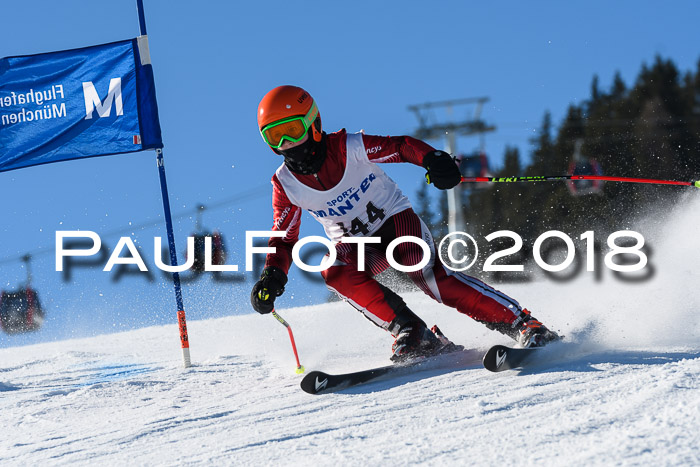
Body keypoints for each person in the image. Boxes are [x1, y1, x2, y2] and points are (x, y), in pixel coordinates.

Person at [251, 85, 559, 362]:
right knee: (334, 271)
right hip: (358, 246)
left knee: (427, 272)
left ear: (314, 124)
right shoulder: (286, 184)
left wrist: (432, 159)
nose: (288, 143)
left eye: (292, 130)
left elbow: (399, 146)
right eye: (275, 137)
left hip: (395, 222)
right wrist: (272, 276)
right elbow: (284, 238)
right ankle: (412, 331)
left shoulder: (349, 147)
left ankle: (522, 323)